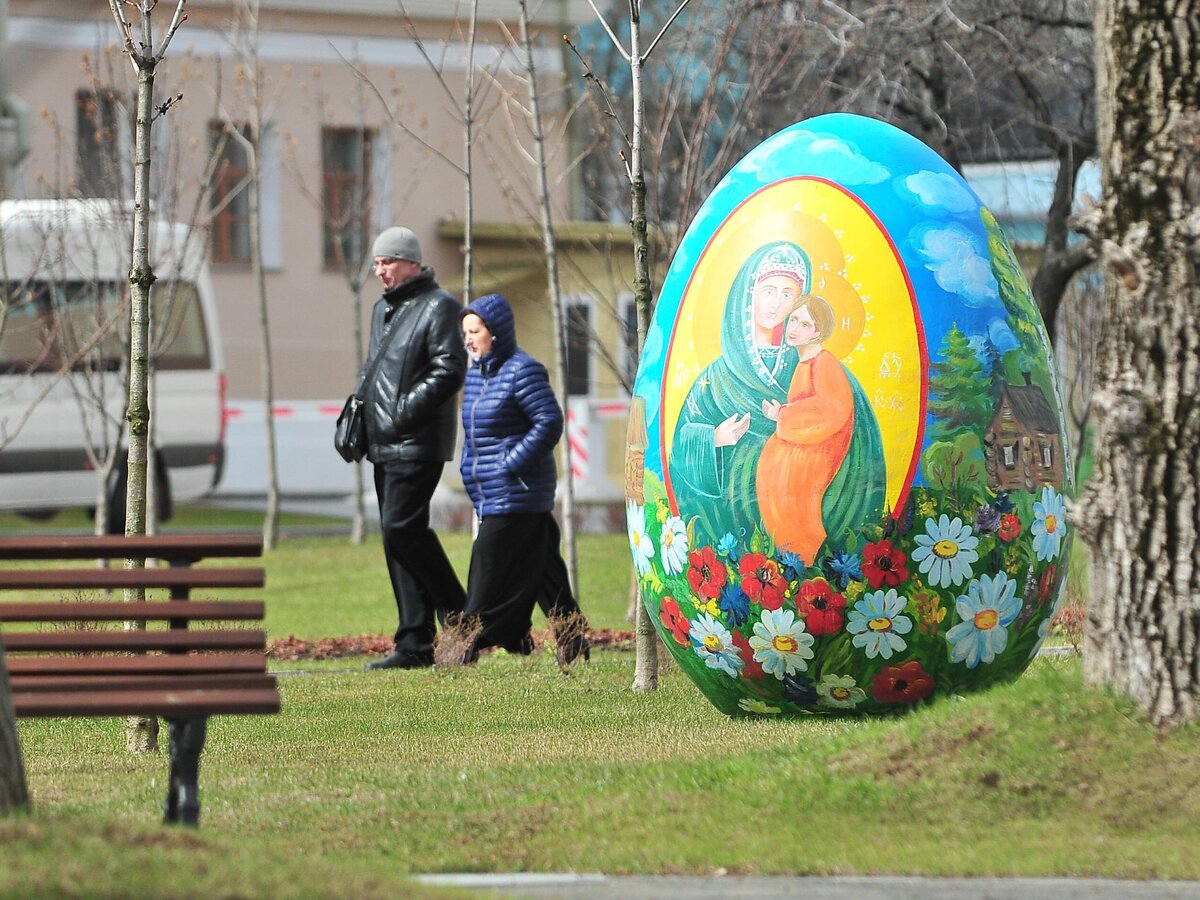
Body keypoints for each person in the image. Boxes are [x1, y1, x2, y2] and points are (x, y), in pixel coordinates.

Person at [458, 293, 589, 666]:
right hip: (492, 491)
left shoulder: (522, 371)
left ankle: (470, 637)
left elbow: (549, 421)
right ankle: (568, 635)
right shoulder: (476, 376)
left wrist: (510, 464)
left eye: (475, 331)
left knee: (487, 560)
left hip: (519, 490)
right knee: (544, 566)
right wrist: (470, 470)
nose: (468, 340)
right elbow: (472, 435)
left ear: (495, 332)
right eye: (465, 332)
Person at [361, 226, 468, 671]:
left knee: (403, 529)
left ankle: (462, 617)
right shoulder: (382, 309)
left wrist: (402, 410)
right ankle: (414, 642)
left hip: (418, 440)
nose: (380, 270)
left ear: (410, 262)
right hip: (383, 441)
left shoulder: (439, 306)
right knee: (394, 535)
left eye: (387, 262)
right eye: (377, 263)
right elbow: (376, 372)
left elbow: (449, 369)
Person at [667, 240, 810, 546]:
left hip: (795, 500)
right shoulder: (718, 375)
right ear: (749, 294)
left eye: (787, 294)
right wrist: (716, 438)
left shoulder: (807, 365)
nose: (775, 303)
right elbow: (680, 440)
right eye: (767, 291)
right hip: (732, 516)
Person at [757, 295, 887, 565]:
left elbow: (830, 409)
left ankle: (804, 554)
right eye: (793, 319)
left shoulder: (824, 363)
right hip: (807, 440)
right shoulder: (804, 363)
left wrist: (781, 414)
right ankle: (790, 555)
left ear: (817, 332)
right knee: (778, 480)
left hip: (822, 447)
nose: (794, 328)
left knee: (792, 490)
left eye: (804, 324)